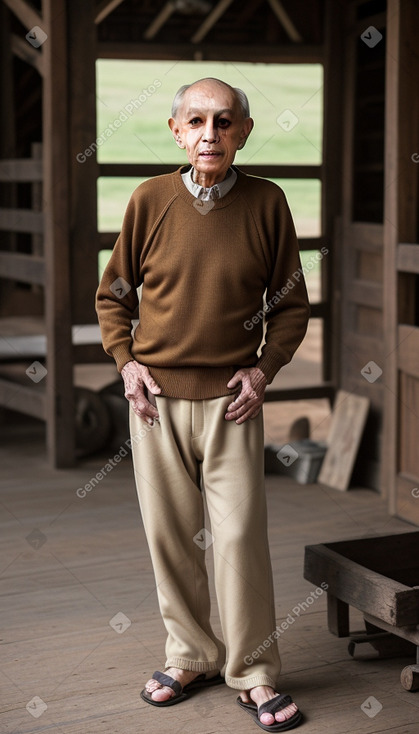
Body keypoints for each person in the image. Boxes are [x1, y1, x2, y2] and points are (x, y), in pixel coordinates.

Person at [96, 77, 310, 731]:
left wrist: (263, 370)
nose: (209, 134)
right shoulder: (149, 200)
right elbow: (114, 298)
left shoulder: (267, 203)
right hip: (155, 401)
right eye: (195, 121)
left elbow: (291, 302)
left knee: (239, 537)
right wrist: (125, 364)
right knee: (170, 537)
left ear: (242, 132)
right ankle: (190, 655)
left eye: (223, 122)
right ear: (175, 131)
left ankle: (252, 671)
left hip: (231, 403)